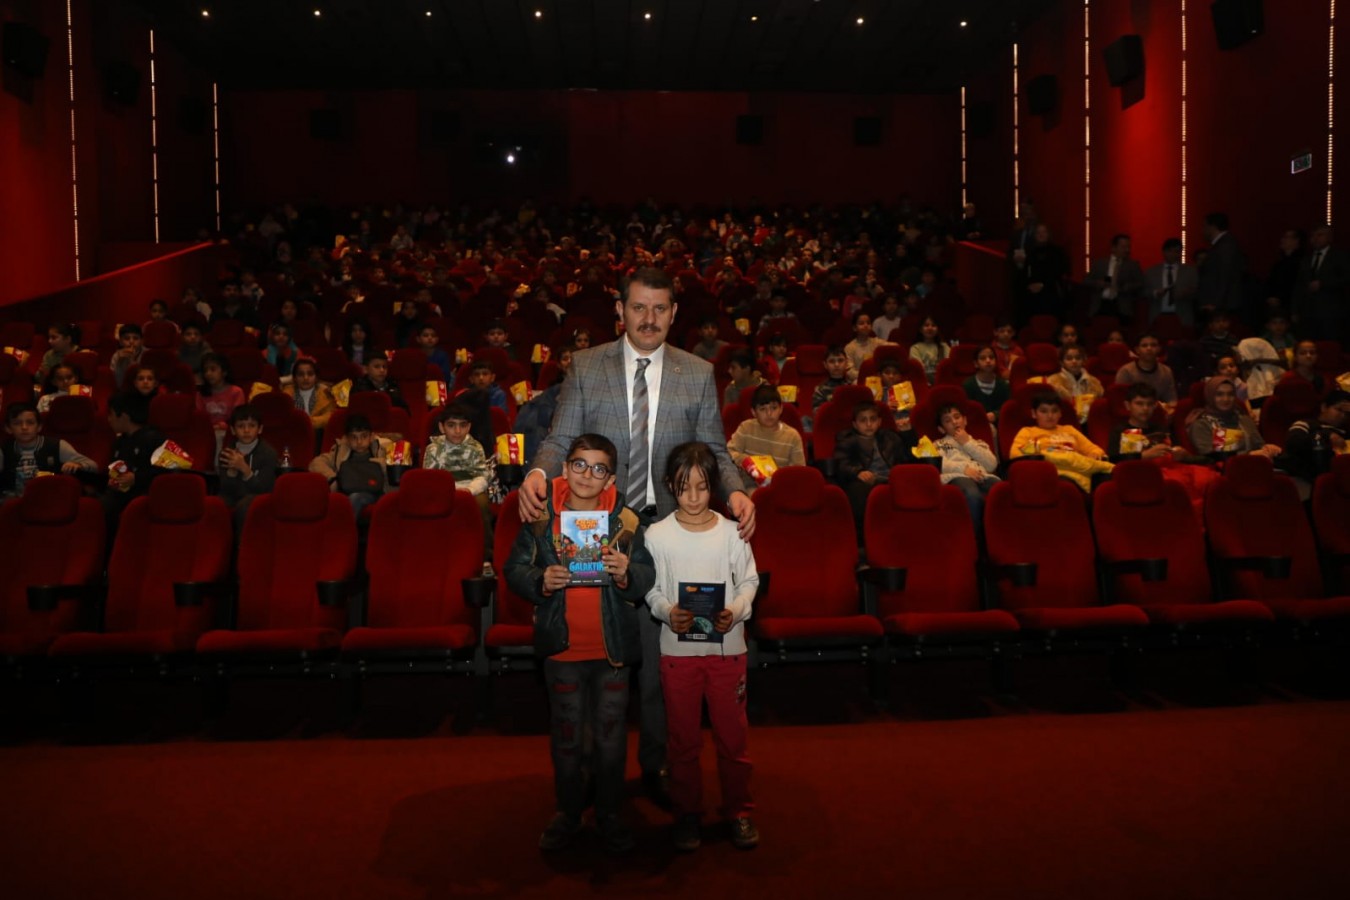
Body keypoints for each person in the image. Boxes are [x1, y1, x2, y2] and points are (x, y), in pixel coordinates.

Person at [521, 266, 754, 807]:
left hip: (669, 534)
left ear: (674, 313)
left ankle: (657, 767)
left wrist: (737, 492)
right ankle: (589, 777)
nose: (649, 319)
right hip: (596, 530)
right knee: (594, 658)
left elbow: (715, 451)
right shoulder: (587, 365)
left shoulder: (698, 372)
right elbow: (560, 438)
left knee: (658, 664)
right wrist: (537, 472)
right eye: (639, 307)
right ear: (620, 311)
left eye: (660, 308)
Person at [504, 433, 655, 854]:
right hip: (562, 647)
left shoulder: (626, 521)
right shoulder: (541, 516)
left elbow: (646, 576)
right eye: (580, 464)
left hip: (612, 650)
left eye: (599, 468)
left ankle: (609, 813)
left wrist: (626, 573)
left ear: (611, 479)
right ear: (566, 468)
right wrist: (540, 580)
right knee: (568, 734)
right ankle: (568, 812)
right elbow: (514, 568)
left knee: (610, 735)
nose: (588, 475)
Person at [644, 441, 760, 852]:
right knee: (682, 741)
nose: (693, 497)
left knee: (732, 737)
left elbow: (749, 581)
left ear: (714, 486)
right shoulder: (657, 535)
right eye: (683, 488)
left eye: (702, 487)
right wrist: (666, 611)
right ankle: (687, 813)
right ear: (669, 486)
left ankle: (739, 810)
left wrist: (736, 610)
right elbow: (651, 589)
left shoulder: (732, 532)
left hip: (728, 652)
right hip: (678, 656)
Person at [833, 399, 917, 533]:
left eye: (873, 419)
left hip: (891, 479)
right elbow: (841, 463)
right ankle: (864, 536)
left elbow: (909, 458)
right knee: (857, 492)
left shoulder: (890, 437)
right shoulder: (847, 440)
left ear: (879, 422)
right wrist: (857, 472)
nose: (869, 424)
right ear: (855, 424)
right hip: (866, 481)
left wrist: (907, 434)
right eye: (863, 420)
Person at [422, 402, 494, 554]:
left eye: (463, 425)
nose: (457, 431)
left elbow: (482, 477)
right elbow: (429, 479)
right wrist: (450, 491)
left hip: (471, 489)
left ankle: (485, 553)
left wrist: (469, 491)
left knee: (482, 504)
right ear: (442, 427)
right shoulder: (433, 449)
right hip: (443, 491)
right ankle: (434, 549)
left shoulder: (475, 447)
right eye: (451, 425)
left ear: (469, 427)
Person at [1009, 391, 1113, 492]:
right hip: (1052, 472)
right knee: (1064, 485)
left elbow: (1094, 449)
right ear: (1034, 413)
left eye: (1054, 411)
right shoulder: (1027, 432)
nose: (1050, 416)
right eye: (1044, 411)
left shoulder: (1069, 430)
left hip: (1079, 470)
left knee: (1110, 478)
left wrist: (1094, 454)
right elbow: (1016, 455)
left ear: (1060, 413)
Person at [0, 402, 97, 498]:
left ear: (39, 427)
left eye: (30, 423)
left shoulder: (56, 445)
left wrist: (78, 465)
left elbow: (93, 466)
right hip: (14, 500)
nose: (24, 427)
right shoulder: (4, 449)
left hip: (50, 498)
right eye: (17, 423)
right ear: (8, 428)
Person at [102, 392, 166, 531]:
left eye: (111, 414)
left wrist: (136, 478)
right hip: (119, 496)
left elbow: (172, 471)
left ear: (124, 416)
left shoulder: (155, 439)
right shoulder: (120, 442)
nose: (109, 419)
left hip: (147, 498)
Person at [308, 412, 391, 519]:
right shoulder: (340, 451)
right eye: (354, 437)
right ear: (347, 438)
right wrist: (333, 478)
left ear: (371, 436)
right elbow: (315, 463)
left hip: (373, 493)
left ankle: (341, 528)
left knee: (356, 498)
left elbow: (393, 474)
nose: (359, 442)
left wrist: (381, 464)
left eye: (364, 436)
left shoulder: (381, 451)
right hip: (345, 492)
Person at [727, 384, 806, 492]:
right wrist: (747, 461)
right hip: (749, 482)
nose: (769, 413)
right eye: (762, 409)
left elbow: (799, 472)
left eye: (774, 408)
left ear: (781, 409)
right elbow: (729, 452)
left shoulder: (792, 436)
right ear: (753, 412)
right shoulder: (746, 428)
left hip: (779, 487)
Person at [933, 402, 999, 529]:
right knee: (972, 495)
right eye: (947, 421)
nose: (954, 422)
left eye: (957, 417)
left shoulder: (979, 443)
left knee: (1000, 490)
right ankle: (977, 537)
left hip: (983, 477)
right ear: (941, 429)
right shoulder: (938, 444)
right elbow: (939, 464)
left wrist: (967, 443)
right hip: (957, 477)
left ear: (965, 420)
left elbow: (991, 465)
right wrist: (964, 469)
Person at [1185, 376, 1280, 461]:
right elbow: (1212, 458)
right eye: (1219, 394)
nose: (1226, 399)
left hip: (1257, 467)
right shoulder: (1202, 424)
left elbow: (1258, 445)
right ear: (1210, 396)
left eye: (1230, 394)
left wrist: (1268, 449)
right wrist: (1250, 455)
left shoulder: (1243, 418)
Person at [217, 405, 278, 532]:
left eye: (251, 426)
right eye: (241, 426)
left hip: (257, 497)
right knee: (215, 504)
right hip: (233, 495)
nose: (246, 430)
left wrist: (245, 469)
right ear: (233, 430)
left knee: (244, 505)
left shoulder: (268, 453)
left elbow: (263, 489)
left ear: (260, 429)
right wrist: (232, 473)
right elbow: (225, 489)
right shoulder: (226, 453)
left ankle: (242, 543)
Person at [1282, 390, 1350, 499]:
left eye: (1346, 413)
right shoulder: (1306, 424)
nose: (1342, 415)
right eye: (1339, 410)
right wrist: (1326, 435)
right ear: (1324, 407)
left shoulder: (1346, 433)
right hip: (1307, 480)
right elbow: (1293, 443)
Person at [1292, 224, 1350, 343]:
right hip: (1308, 312)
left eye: (1320, 235)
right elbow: (1298, 285)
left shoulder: (1340, 257)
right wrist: (1295, 310)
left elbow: (1346, 278)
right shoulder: (1306, 259)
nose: (1315, 239)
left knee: (1329, 343)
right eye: (1313, 236)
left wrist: (1324, 284)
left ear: (1329, 237)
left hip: (1331, 312)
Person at [1106, 383, 1185, 462]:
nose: (1145, 408)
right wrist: (1144, 456)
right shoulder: (1119, 431)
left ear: (1155, 406)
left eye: (1150, 404)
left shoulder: (1162, 429)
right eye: (1139, 403)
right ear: (1128, 405)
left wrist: (1181, 454)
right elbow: (1112, 459)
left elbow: (1178, 450)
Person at [1085, 233, 1145, 320]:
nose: (1127, 250)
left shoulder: (1133, 265)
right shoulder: (1099, 264)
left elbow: (1141, 283)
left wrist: (1126, 286)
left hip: (1122, 306)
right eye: (1123, 247)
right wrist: (1098, 283)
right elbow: (1086, 281)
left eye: (1128, 247)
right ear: (1113, 248)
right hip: (1101, 304)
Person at [1197, 212, 1245, 319]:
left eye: (1204, 226)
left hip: (1220, 306)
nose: (1203, 230)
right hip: (1220, 304)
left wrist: (1216, 303)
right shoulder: (1225, 244)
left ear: (1212, 227)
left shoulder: (1225, 246)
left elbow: (1225, 276)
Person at [1114, 334, 1178, 413]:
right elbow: (1121, 402)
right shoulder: (1126, 371)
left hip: (1157, 412)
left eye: (1153, 345)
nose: (1149, 348)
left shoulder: (1166, 371)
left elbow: (1171, 400)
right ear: (1137, 350)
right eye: (1144, 345)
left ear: (1159, 349)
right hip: (1131, 414)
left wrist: (1169, 410)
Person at [1144, 238, 1200, 325]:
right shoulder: (1151, 272)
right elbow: (1143, 291)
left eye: (1177, 252)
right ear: (1164, 252)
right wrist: (1155, 293)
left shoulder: (1190, 271)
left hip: (1183, 316)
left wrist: (1185, 293)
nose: (1173, 254)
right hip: (1157, 315)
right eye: (1170, 251)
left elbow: (1197, 291)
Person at [1046, 346, 1104, 425]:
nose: (1074, 361)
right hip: (1063, 421)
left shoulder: (1094, 382)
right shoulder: (1053, 381)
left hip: (1089, 422)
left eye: (1078, 358)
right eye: (1069, 358)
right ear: (1061, 362)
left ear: (1084, 360)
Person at [197, 353, 247, 434]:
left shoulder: (236, 392)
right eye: (205, 371)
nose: (208, 374)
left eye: (213, 369)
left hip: (230, 432)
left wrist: (223, 426)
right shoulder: (201, 394)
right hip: (208, 432)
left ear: (224, 372)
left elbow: (238, 418)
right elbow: (199, 419)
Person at [283, 358, 336, 434]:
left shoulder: (326, 392)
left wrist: (308, 422)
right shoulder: (286, 394)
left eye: (310, 374)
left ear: (316, 377)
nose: (306, 378)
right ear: (294, 378)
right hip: (292, 433)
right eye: (300, 374)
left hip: (318, 433)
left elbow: (329, 416)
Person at [962, 346, 1010, 423]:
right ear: (976, 363)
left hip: (999, 424)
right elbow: (967, 410)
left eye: (991, 357)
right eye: (983, 358)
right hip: (976, 424)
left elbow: (1007, 408)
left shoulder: (1003, 385)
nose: (988, 361)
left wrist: (996, 415)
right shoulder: (968, 385)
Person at [843, 312, 893, 380]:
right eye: (861, 323)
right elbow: (849, 372)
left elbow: (895, 346)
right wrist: (866, 376)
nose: (866, 325)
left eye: (868, 323)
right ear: (854, 328)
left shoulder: (877, 342)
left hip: (877, 379)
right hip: (859, 380)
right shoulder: (849, 347)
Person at [811, 346, 853, 418]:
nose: (836, 364)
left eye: (840, 360)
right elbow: (819, 415)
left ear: (846, 363)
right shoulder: (820, 390)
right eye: (832, 361)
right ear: (825, 365)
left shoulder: (852, 387)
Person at [111, 323, 145, 389]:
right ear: (120, 342)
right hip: (125, 389)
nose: (131, 342)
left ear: (142, 341)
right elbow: (118, 383)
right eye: (127, 338)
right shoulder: (116, 356)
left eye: (135, 338)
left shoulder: (147, 354)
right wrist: (120, 362)